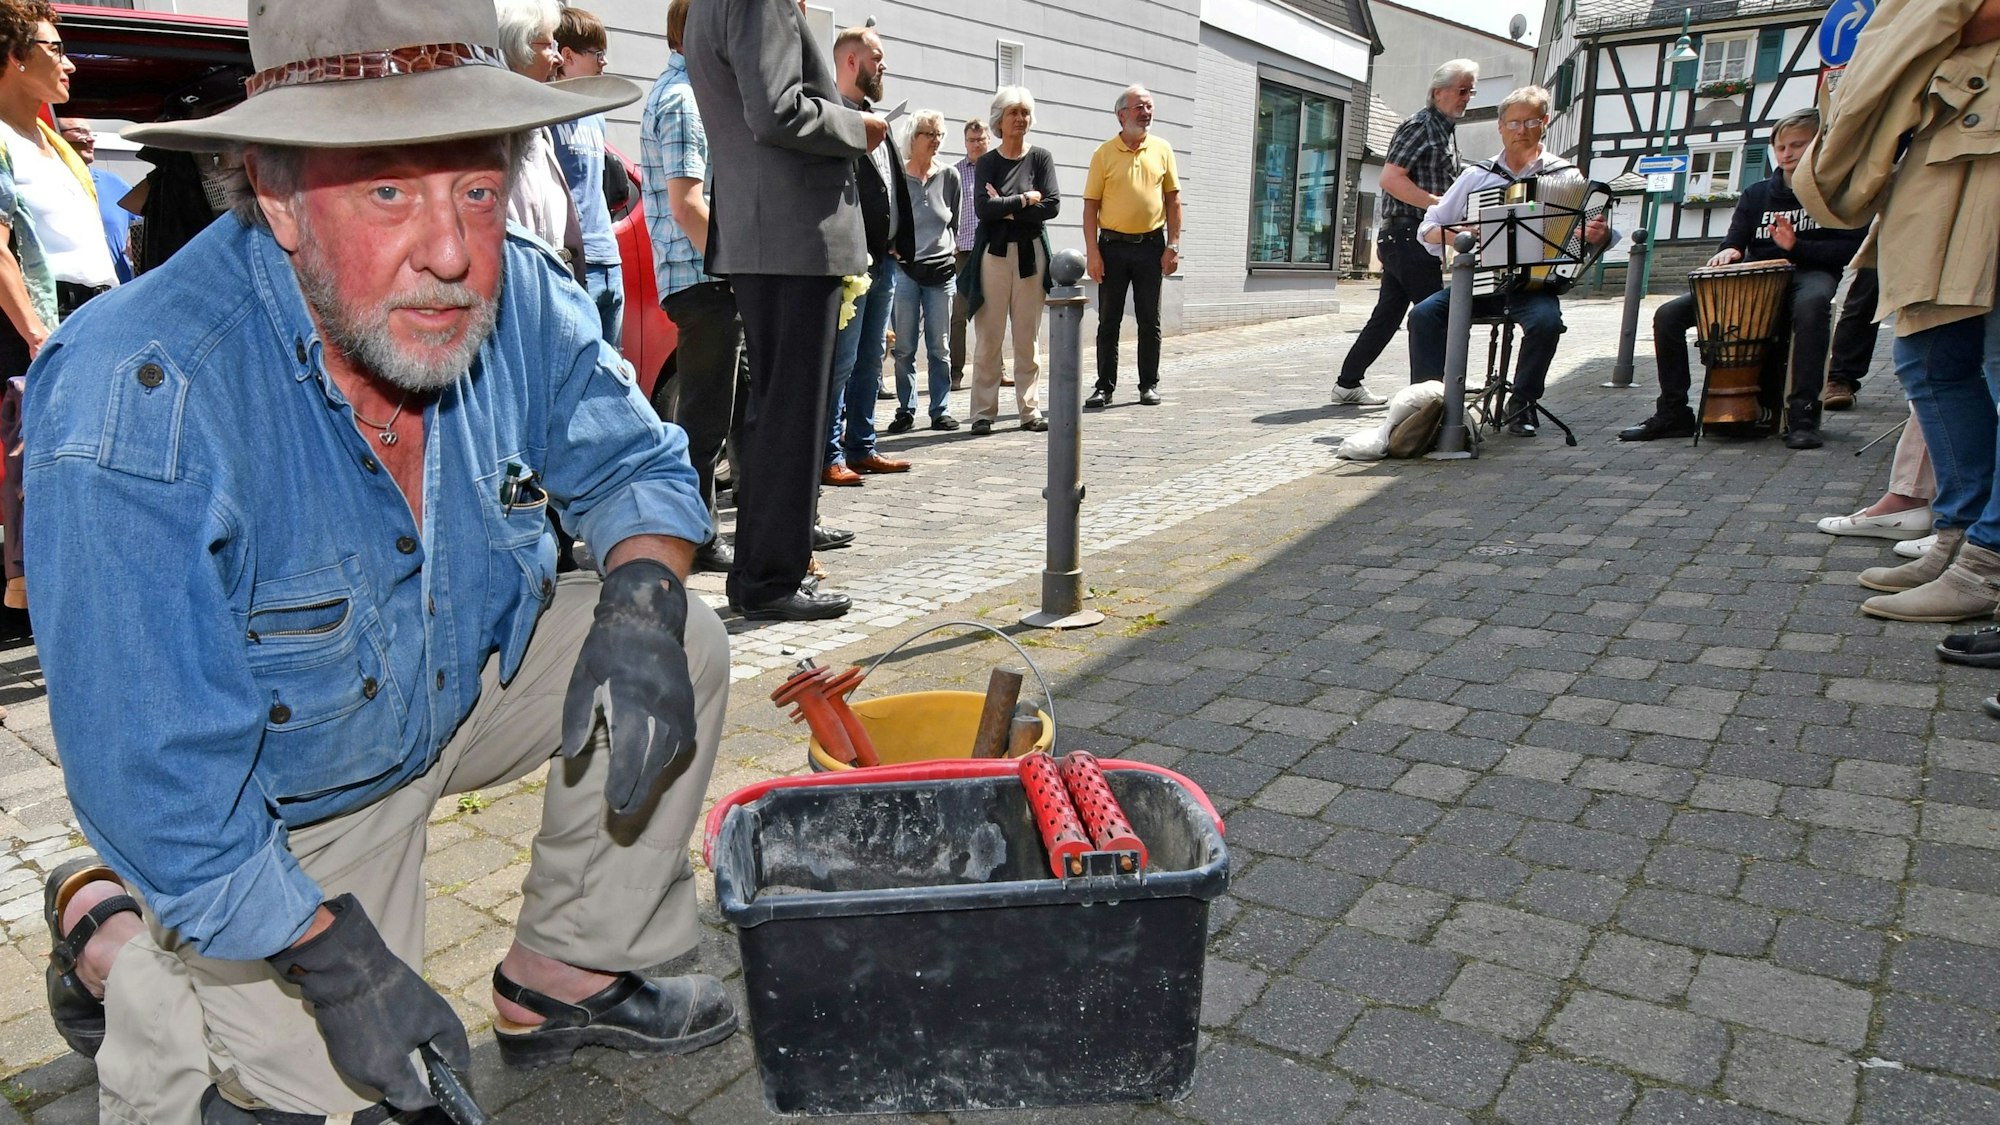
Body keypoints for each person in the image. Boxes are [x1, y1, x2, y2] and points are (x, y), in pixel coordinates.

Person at [30, 2, 738, 1120]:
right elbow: (157, 772)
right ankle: (109, 929)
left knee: (682, 638)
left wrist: (645, 596)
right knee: (328, 1098)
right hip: (277, 799)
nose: (452, 251)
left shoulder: (523, 298)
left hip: (456, 684)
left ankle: (566, 975)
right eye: (386, 190)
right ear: (274, 193)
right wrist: (327, 957)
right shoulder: (139, 391)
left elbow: (635, 465)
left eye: (475, 185)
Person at [1796, 0, 2000, 645]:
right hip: (1945, 140)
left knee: (1991, 359)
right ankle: (1959, 535)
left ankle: (1986, 560)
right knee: (1929, 359)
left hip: (1979, 135)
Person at [686, 0, 884, 621]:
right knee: (791, 416)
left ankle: (761, 574)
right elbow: (777, 111)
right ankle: (772, 579)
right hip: (792, 237)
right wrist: (859, 129)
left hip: (766, 234)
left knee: (776, 413)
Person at [1618, 109, 1865, 449]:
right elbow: (1735, 240)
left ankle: (1803, 414)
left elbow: (1849, 250)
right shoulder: (1757, 194)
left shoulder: (1835, 193)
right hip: (1754, 278)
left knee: (1813, 307)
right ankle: (1674, 411)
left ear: (1819, 146)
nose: (1788, 153)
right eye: (1781, 147)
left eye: (1798, 145)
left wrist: (1798, 246)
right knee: (1668, 316)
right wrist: (1729, 252)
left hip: (1809, 273)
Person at [1405, 86, 1610, 437]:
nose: (1522, 130)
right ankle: (1430, 405)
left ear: (1544, 123)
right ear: (1500, 126)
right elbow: (1429, 228)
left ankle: (1523, 405)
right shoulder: (1476, 176)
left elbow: (1590, 237)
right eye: (1513, 122)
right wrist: (1463, 238)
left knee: (1547, 323)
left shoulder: (1567, 177)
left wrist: (1596, 237)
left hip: (1535, 285)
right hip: (1482, 281)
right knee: (1423, 314)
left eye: (1531, 121)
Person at [0, 4, 115, 616]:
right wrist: (38, 334)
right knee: (52, 471)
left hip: (95, 311)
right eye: (54, 47)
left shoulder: (52, 141)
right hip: (51, 320)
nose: (68, 62)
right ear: (16, 57)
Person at [642, 0, 740, 575]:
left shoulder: (686, 92)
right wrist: (734, 265)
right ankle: (696, 535)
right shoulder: (683, 99)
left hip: (705, 277)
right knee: (704, 419)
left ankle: (724, 525)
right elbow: (687, 205)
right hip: (703, 278)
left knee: (722, 411)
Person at [1332, 59, 1477, 406]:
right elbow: (1390, 178)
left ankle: (1347, 383)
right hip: (1408, 236)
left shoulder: (1443, 130)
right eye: (1462, 90)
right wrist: (1436, 205)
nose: (1467, 97)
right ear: (1438, 92)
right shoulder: (1421, 126)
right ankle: (1430, 394)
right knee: (1435, 314)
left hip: (1409, 236)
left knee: (1387, 317)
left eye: (1471, 91)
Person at [822, 24, 912, 486]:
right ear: (851, 61)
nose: (884, 66)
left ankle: (861, 447)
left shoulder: (877, 117)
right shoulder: (831, 117)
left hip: (885, 260)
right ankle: (828, 454)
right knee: (842, 359)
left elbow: (888, 184)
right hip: (850, 265)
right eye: (877, 57)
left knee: (871, 358)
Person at [966, 85, 1059, 435]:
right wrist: (1024, 200)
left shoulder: (1041, 158)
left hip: (1030, 256)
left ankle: (1029, 410)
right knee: (989, 335)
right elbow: (982, 209)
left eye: (1025, 112)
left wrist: (1005, 206)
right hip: (995, 254)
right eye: (1013, 113)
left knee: (1027, 337)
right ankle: (982, 412)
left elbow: (1052, 205)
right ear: (999, 121)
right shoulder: (988, 161)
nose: (1021, 119)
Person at [1082, 85, 1180, 410]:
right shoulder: (1103, 153)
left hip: (1152, 246)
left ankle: (1148, 385)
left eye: (1150, 106)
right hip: (1112, 247)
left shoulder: (1163, 149)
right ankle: (1104, 388)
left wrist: (1174, 245)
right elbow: (1090, 207)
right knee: (1108, 320)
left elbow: (1173, 200)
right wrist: (1092, 253)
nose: (1146, 112)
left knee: (1149, 320)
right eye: (1140, 107)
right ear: (1121, 114)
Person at [552, 6, 625, 343]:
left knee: (613, 373)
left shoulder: (596, 114)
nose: (604, 62)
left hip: (610, 259)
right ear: (566, 56)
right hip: (574, 265)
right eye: (597, 53)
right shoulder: (544, 116)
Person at [497, 0, 583, 278]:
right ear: (516, 48)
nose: (557, 59)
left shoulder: (539, 132)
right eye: (548, 45)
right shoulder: (488, 140)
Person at [889, 109, 961, 433]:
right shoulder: (897, 177)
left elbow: (954, 221)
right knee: (904, 347)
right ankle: (905, 409)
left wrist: (949, 248)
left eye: (938, 135)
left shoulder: (949, 176)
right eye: (928, 134)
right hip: (905, 271)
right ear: (913, 137)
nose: (935, 141)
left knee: (939, 347)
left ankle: (940, 409)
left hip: (941, 273)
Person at [56, 119, 133, 283]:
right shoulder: (42, 185)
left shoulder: (115, 184)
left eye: (91, 133)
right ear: (55, 135)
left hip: (118, 293)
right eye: (80, 132)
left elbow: (150, 217)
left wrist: (136, 235)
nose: (90, 139)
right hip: (69, 298)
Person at [949, 116, 992, 391]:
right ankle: (955, 373)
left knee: (993, 313)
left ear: (989, 140)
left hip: (992, 248)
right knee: (958, 315)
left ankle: (995, 370)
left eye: (980, 139)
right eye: (971, 140)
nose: (976, 144)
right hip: (962, 251)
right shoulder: (953, 172)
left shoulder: (997, 169)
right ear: (965, 142)